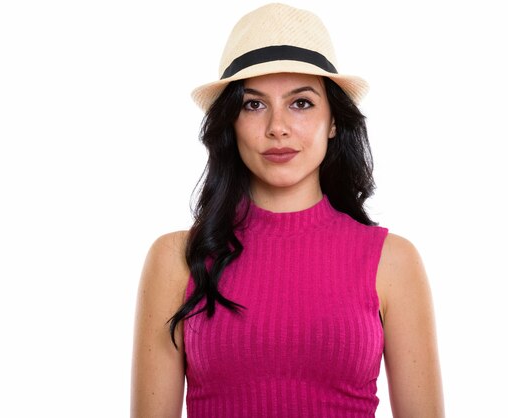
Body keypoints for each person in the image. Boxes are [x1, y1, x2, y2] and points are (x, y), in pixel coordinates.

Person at [131, 3, 444, 417]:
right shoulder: (176, 261)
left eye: (301, 103)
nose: (277, 127)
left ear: (334, 120)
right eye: (253, 105)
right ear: (230, 123)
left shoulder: (392, 261)